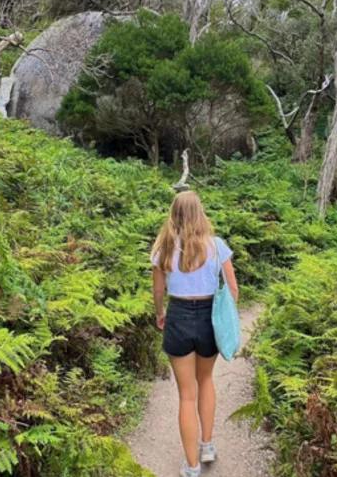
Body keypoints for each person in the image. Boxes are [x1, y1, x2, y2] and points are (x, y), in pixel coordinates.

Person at [151, 190, 239, 477]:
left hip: (178, 318)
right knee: (206, 380)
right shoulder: (216, 246)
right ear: (200, 212)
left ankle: (191, 467)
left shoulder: (163, 248)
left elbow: (158, 291)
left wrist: (160, 314)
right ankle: (208, 445)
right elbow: (233, 290)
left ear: (173, 214)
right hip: (208, 320)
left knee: (186, 395)